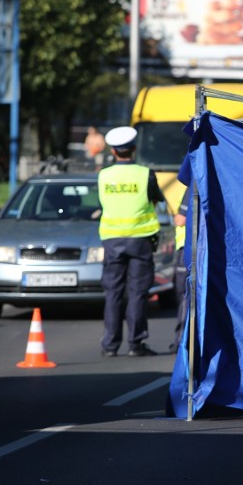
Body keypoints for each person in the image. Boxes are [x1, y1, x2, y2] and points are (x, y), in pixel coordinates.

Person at [96, 126, 164, 357]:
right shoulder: (146, 174)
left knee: (113, 293)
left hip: (112, 240)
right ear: (134, 149)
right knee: (137, 292)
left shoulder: (103, 175)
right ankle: (136, 344)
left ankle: (110, 345)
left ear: (114, 151)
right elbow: (157, 200)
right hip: (140, 241)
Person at [170, 186, 190, 352]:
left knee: (185, 295)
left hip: (188, 249)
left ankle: (181, 341)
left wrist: (175, 215)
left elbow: (180, 220)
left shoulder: (194, 185)